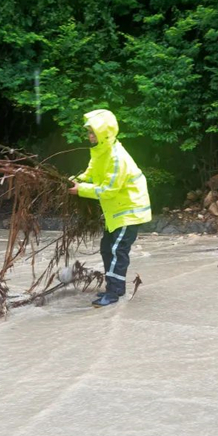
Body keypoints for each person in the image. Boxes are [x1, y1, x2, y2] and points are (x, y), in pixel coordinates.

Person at [68, 109, 151, 307]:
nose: (90, 136)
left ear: (104, 133)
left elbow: (108, 190)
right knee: (107, 248)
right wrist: (76, 180)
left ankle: (114, 292)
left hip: (129, 211)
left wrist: (80, 190)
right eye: (89, 132)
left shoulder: (116, 158)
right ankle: (114, 287)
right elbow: (91, 173)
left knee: (116, 251)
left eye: (93, 132)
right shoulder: (100, 152)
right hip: (116, 212)